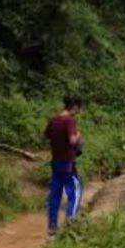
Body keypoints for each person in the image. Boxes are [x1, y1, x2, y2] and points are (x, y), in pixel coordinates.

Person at [44, 96, 83, 238]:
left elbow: (46, 136)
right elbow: (73, 140)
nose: (77, 112)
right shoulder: (70, 121)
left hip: (55, 162)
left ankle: (52, 228)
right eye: (77, 109)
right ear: (74, 108)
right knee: (75, 193)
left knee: (55, 194)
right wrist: (78, 135)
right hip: (68, 163)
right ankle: (69, 226)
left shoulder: (53, 120)